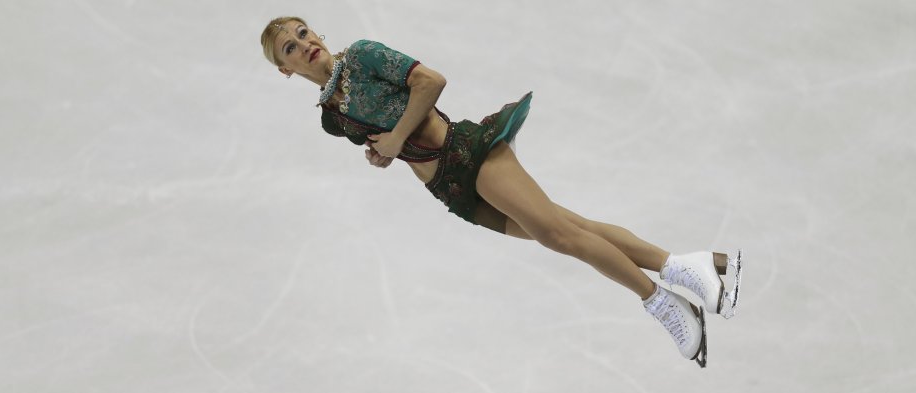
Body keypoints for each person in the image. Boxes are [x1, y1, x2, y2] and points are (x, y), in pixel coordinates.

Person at [260, 17, 743, 367]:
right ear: (284, 70)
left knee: (560, 237)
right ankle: (694, 267)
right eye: (289, 48)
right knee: (573, 227)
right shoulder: (331, 117)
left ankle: (664, 303)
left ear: (318, 33)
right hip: (448, 189)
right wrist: (383, 152)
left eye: (303, 33)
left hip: (469, 153)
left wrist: (397, 136)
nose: (303, 45)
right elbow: (387, 136)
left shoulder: (363, 55)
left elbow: (431, 82)